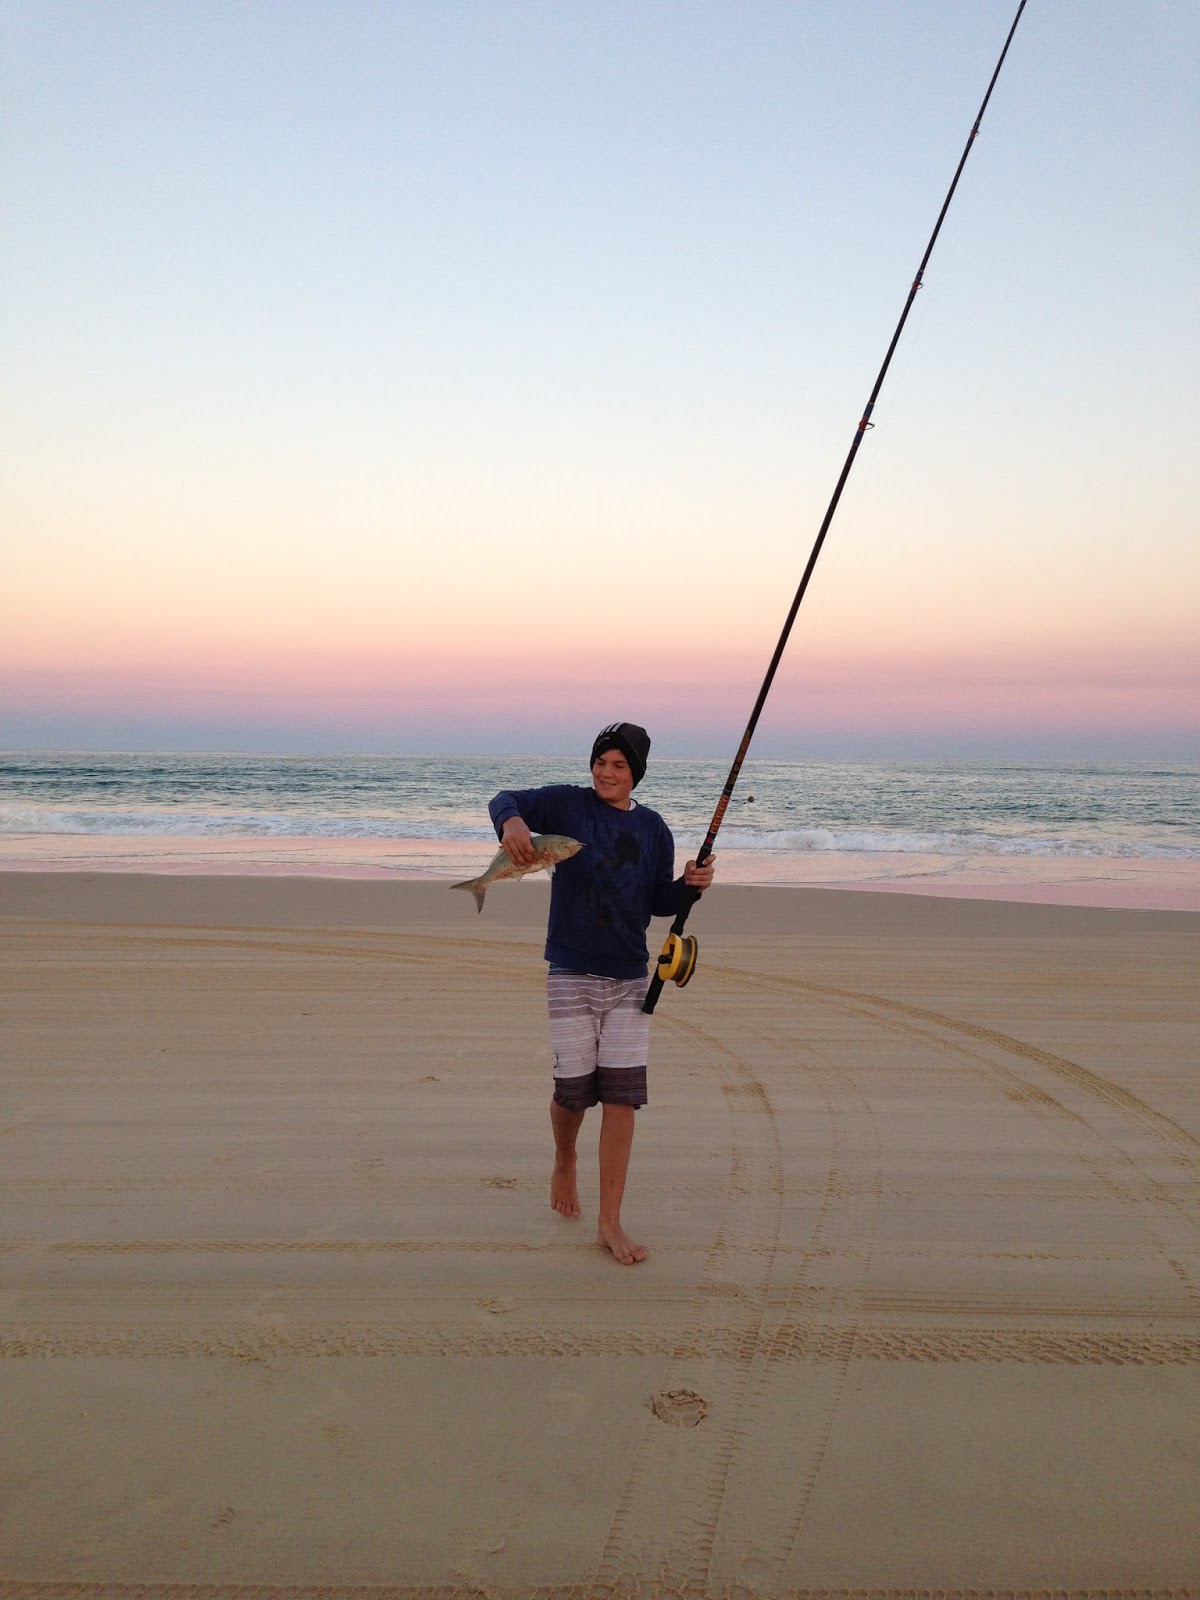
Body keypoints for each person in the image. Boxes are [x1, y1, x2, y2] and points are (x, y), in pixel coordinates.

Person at [489, 722, 715, 1265]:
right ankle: (564, 1159)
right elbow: (504, 798)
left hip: (631, 978)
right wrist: (514, 822)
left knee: (621, 1096)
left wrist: (690, 885)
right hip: (570, 970)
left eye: (618, 765)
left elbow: (659, 900)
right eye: (600, 762)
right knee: (573, 1093)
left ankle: (609, 1221)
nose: (606, 773)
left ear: (635, 771)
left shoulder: (655, 828)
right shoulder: (568, 806)